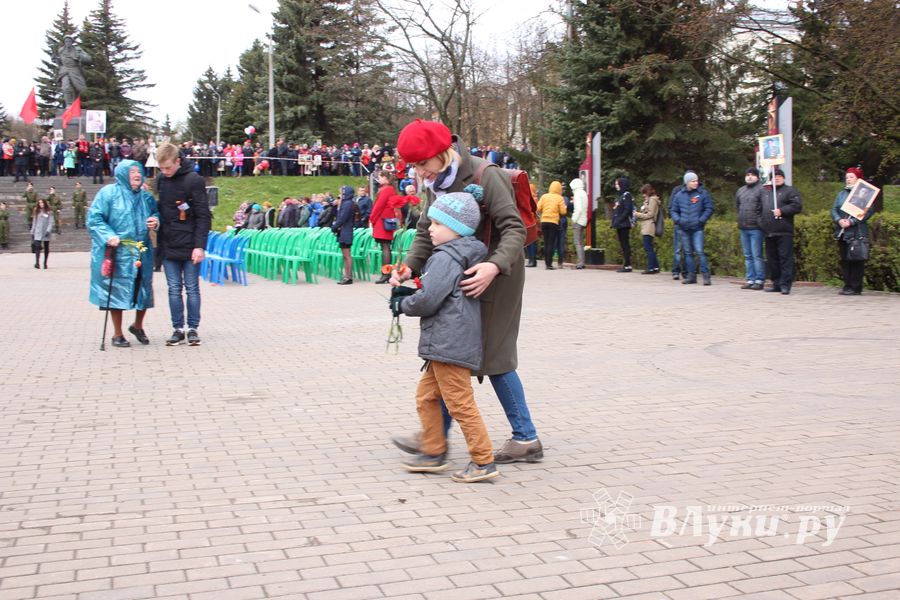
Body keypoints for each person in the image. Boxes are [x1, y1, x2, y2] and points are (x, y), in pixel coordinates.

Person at [390, 118, 543, 464]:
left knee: (494, 355)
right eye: (413, 166)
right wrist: (410, 268)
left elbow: (513, 230)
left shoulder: (484, 175)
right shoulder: (437, 180)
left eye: (422, 164)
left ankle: (525, 439)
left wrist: (493, 266)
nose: (420, 172)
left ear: (442, 153)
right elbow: (426, 230)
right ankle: (435, 440)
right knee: (449, 353)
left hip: (497, 275)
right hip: (459, 274)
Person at [390, 188, 499, 482]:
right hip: (446, 341)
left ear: (456, 228)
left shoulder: (445, 258)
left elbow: (429, 300)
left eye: (437, 224)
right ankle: (434, 450)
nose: (431, 229)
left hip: (448, 342)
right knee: (426, 397)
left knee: (460, 404)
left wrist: (403, 302)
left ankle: (483, 460)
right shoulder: (460, 253)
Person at [87, 160, 158, 347]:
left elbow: (157, 213)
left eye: (139, 171)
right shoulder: (108, 194)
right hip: (119, 251)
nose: (137, 175)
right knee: (116, 291)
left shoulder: (146, 197)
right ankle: (117, 334)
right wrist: (108, 235)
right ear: (122, 174)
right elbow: (94, 219)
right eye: (132, 172)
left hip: (142, 251)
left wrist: (156, 221)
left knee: (143, 290)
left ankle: (138, 325)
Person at [155, 142, 212, 346]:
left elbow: (203, 215)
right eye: (161, 168)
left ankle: (193, 328)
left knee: (192, 288)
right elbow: (160, 209)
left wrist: (200, 246)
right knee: (173, 288)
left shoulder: (194, 180)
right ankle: (177, 328)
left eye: (168, 167)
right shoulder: (161, 180)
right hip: (169, 243)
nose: (165, 172)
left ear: (178, 161)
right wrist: (155, 221)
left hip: (190, 244)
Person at [760, 169, 802, 295]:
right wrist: (761, 223)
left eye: (779, 176)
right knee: (772, 260)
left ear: (783, 178)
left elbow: (797, 206)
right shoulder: (766, 193)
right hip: (769, 231)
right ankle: (776, 283)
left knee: (785, 259)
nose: (776, 178)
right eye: (774, 176)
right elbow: (759, 208)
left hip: (784, 231)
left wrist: (782, 211)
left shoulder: (790, 191)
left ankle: (785, 284)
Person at [831, 167, 872, 295]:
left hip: (857, 231)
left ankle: (856, 287)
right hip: (843, 231)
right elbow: (834, 209)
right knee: (845, 260)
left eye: (851, 177)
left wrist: (852, 222)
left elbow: (867, 212)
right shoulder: (841, 194)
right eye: (847, 177)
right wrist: (839, 220)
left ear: (858, 179)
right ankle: (847, 285)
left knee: (856, 260)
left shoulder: (864, 194)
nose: (848, 179)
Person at [670, 171, 714, 285]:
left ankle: (706, 276)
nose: (696, 183)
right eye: (693, 181)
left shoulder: (703, 193)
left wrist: (701, 220)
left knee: (700, 251)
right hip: (684, 228)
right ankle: (691, 275)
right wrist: (679, 220)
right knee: (688, 253)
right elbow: (673, 210)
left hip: (697, 228)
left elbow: (709, 208)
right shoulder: (679, 195)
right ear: (687, 182)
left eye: (696, 180)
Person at [736, 167, 765, 290]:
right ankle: (750, 279)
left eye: (752, 174)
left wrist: (760, 222)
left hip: (756, 227)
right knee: (747, 255)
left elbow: (764, 207)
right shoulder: (741, 190)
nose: (749, 177)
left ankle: (759, 279)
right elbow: (738, 206)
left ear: (757, 177)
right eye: (748, 174)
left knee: (757, 255)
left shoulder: (762, 190)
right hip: (743, 227)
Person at [370, 170, 401, 283]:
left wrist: (372, 219)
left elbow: (378, 206)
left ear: (384, 178)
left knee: (385, 248)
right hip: (387, 220)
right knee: (386, 247)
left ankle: (386, 273)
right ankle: (387, 273)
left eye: (380, 177)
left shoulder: (386, 190)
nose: (379, 179)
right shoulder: (391, 189)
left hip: (382, 221)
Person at [537, 181, 567, 270]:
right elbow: (563, 212)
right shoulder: (559, 198)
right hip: (553, 222)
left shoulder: (544, 196)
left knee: (546, 242)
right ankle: (549, 264)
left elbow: (538, 208)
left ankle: (547, 263)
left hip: (544, 221)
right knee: (551, 242)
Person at [633, 183, 660, 274]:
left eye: (644, 193)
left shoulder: (652, 200)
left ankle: (651, 267)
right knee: (649, 247)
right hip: (647, 225)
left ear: (647, 192)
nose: (643, 195)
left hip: (649, 225)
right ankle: (655, 267)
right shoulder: (648, 200)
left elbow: (650, 214)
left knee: (648, 247)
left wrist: (637, 214)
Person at [332, 185, 356, 285]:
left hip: (346, 230)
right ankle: (347, 275)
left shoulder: (347, 204)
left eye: (341, 193)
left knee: (347, 255)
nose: (340, 195)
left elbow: (342, 218)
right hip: (345, 230)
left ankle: (348, 276)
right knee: (345, 255)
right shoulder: (346, 203)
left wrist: (334, 226)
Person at [611, 177, 635, 272]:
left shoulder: (626, 195)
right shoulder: (620, 196)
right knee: (623, 244)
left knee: (625, 244)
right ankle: (626, 264)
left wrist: (619, 220)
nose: (616, 186)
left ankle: (628, 265)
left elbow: (627, 209)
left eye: (617, 184)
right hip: (620, 224)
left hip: (624, 224)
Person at [570, 178, 588, 269]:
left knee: (577, 242)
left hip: (578, 220)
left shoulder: (577, 194)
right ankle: (582, 262)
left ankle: (580, 263)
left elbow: (579, 209)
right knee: (581, 242)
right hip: (583, 220)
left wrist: (574, 219)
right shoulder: (584, 193)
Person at [31, 198, 54, 269]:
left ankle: (45, 263)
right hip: (38, 231)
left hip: (46, 231)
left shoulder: (49, 212)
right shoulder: (36, 211)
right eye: (40, 203)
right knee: (37, 247)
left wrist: (48, 230)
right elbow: (34, 221)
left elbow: (51, 222)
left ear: (45, 203)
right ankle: (37, 263)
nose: (41, 204)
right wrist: (32, 231)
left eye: (42, 203)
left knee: (46, 247)